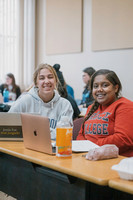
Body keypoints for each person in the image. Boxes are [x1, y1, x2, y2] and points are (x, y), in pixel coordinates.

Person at [77, 69, 133, 157]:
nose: (99, 89)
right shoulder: (91, 108)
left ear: (116, 88)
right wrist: (82, 148)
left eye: (105, 85)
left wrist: (92, 147)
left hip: (116, 161)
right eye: (95, 86)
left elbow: (123, 139)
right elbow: (81, 134)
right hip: (88, 156)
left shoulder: (125, 106)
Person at [9, 63, 73, 139]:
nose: (46, 81)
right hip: (27, 147)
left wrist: (35, 132)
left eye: (50, 77)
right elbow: (8, 124)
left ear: (55, 80)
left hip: (55, 149)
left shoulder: (65, 105)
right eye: (42, 78)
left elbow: (66, 135)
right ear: (36, 83)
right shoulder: (24, 100)